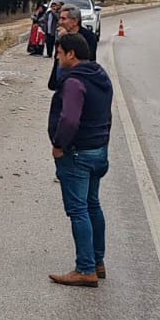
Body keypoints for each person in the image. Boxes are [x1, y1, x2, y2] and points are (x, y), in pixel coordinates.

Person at [47, 32, 113, 287]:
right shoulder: (99, 74)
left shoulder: (74, 82)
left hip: (77, 154)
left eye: (60, 53)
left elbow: (70, 118)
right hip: (98, 150)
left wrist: (59, 145)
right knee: (93, 205)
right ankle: (97, 261)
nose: (58, 57)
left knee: (78, 210)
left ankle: (85, 268)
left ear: (71, 54)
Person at [47, 5, 98, 88]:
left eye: (64, 19)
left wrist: (68, 39)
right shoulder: (61, 36)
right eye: (60, 18)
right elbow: (58, 58)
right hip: (61, 81)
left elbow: (88, 59)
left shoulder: (89, 37)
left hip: (79, 82)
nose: (60, 22)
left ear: (75, 21)